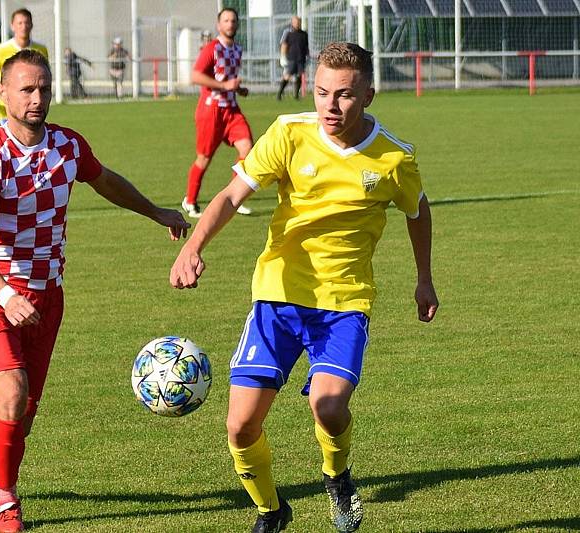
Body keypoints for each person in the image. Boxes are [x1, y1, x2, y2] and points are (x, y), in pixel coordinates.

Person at [170, 42, 439, 533]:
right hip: (277, 295)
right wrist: (194, 247)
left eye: (344, 96)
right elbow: (232, 193)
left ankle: (337, 477)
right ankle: (272, 510)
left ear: (368, 96)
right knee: (240, 425)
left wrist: (424, 278)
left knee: (329, 406)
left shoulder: (393, 157)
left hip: (344, 303)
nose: (330, 107)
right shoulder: (289, 134)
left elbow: (418, 210)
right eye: (321, 93)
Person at [0, 49, 189, 533]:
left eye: (43, 87)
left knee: (16, 418)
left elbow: (105, 181)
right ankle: (6, 506)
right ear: (2, 93)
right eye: (26, 89)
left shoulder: (67, 146)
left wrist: (157, 212)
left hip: (46, 298)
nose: (37, 97)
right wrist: (5, 296)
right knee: (12, 394)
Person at [181, 8, 253, 220]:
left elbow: (228, 80)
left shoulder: (237, 49)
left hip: (231, 109)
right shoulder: (212, 48)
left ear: (237, 24)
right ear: (218, 25)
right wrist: (224, 85)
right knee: (203, 158)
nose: (230, 24)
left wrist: (238, 89)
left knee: (248, 149)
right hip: (211, 110)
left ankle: (235, 197)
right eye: (226, 20)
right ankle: (190, 200)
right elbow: (195, 76)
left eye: (233, 20)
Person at [0, 8, 49, 124]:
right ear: (12, 26)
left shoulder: (41, 50)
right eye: (20, 23)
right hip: (7, 113)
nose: (24, 26)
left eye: (27, 23)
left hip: (33, 110)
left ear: (31, 25)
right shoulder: (1, 50)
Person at [277, 16, 309, 101]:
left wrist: (307, 55)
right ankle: (280, 93)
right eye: (296, 22)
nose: (297, 24)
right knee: (287, 76)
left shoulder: (304, 34)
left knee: (299, 76)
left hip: (301, 59)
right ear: (292, 23)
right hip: (291, 58)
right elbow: (284, 45)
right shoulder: (288, 33)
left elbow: (306, 46)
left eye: (299, 22)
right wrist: (283, 57)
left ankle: (296, 95)